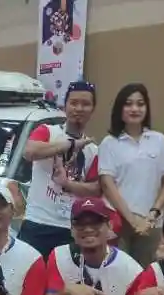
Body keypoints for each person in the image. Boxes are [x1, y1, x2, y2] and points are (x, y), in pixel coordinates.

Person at [19, 81, 101, 259]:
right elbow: (29, 152)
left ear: (93, 109)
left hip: (71, 228)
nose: (79, 108)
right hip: (37, 222)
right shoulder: (47, 132)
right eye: (74, 103)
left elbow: (96, 189)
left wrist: (67, 184)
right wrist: (71, 145)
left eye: (85, 104)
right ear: (65, 106)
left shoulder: (93, 150)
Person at [99, 83, 164, 266]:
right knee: (117, 271)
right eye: (128, 104)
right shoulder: (109, 143)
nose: (135, 109)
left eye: (140, 104)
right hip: (117, 222)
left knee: (145, 273)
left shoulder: (158, 140)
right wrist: (133, 221)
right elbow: (107, 185)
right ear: (120, 109)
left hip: (150, 224)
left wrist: (153, 214)